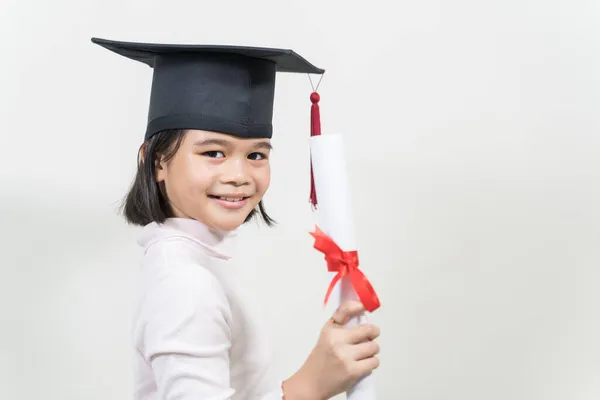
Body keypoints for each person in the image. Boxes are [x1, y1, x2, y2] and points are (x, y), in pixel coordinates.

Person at [92, 37, 381, 400]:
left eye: (257, 155)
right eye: (214, 152)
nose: (240, 175)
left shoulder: (197, 259)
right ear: (156, 160)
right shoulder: (185, 283)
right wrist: (309, 385)